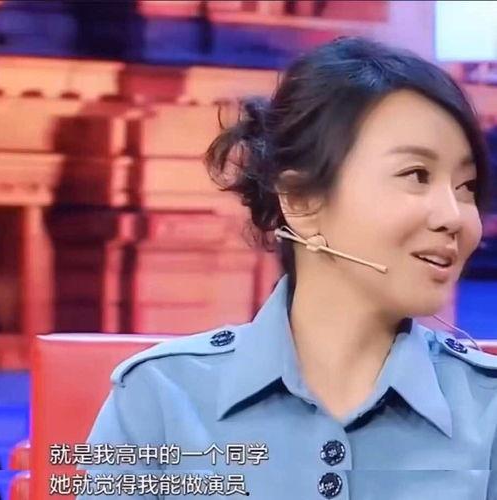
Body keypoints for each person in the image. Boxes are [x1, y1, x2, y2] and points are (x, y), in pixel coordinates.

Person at [77, 36, 497, 499]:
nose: (455, 217)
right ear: (300, 199)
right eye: (416, 175)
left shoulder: (488, 410)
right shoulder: (160, 397)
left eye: (466, 186)